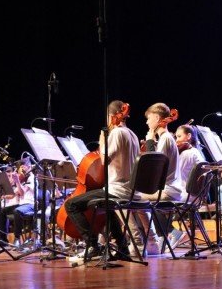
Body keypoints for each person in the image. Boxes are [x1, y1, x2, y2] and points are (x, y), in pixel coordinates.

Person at [63, 100, 139, 261]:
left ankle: (92, 246)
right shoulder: (132, 134)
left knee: (71, 204)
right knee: (109, 210)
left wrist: (103, 140)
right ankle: (122, 247)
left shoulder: (117, 133)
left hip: (117, 189)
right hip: (129, 190)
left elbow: (105, 160)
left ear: (111, 116)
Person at [130, 103, 179, 255]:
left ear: (157, 118)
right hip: (170, 189)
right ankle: (152, 240)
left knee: (130, 199)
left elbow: (156, 168)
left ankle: (148, 241)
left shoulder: (165, 139)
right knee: (136, 198)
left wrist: (150, 141)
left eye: (149, 118)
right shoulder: (166, 139)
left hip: (168, 191)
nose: (146, 122)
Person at [0, 160, 34, 249]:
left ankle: (17, 239)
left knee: (17, 211)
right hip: (20, 204)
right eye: (21, 169)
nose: (22, 172)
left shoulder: (31, 178)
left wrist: (16, 181)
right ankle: (2, 239)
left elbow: (21, 192)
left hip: (28, 204)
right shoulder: (21, 180)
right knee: (1, 211)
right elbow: (14, 192)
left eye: (24, 168)